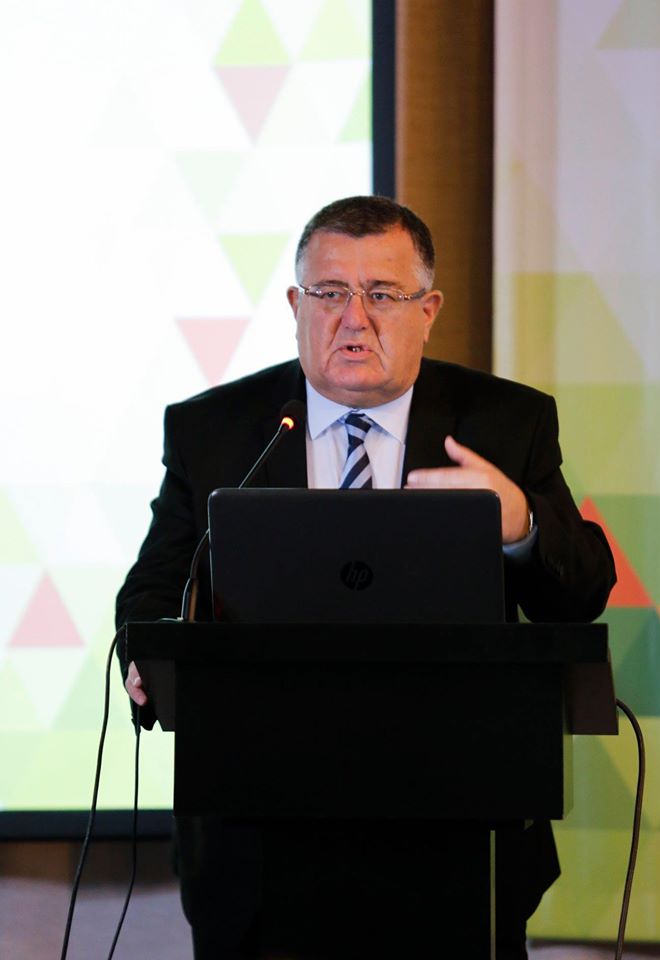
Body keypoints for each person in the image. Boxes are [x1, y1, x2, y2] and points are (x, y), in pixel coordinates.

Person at [117, 195, 616, 959]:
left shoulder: (503, 423)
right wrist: (147, 655)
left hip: (456, 820)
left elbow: (579, 595)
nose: (353, 319)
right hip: (257, 828)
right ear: (296, 307)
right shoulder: (214, 429)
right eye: (329, 293)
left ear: (428, 311)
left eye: (381, 294)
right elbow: (154, 590)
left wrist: (520, 524)